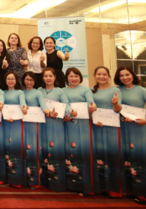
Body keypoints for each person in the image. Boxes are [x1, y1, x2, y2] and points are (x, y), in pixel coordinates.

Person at [115, 66, 146, 204]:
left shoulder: (141, 90)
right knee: (125, 158)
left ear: (133, 75)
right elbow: (115, 109)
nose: (125, 77)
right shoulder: (117, 91)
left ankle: (143, 194)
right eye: (122, 75)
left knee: (140, 159)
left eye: (127, 74)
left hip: (138, 128)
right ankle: (130, 189)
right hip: (122, 128)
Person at [62, 67, 99, 196]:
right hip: (69, 125)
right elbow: (64, 105)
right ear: (66, 78)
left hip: (83, 124)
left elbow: (91, 104)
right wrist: (67, 114)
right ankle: (71, 183)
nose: (73, 78)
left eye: (76, 76)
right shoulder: (62, 90)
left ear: (80, 77)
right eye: (71, 76)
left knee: (84, 152)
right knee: (70, 152)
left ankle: (87, 185)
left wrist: (92, 107)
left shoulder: (86, 90)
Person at [90, 66, 122, 199]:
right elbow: (90, 108)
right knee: (98, 154)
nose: (101, 76)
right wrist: (92, 116)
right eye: (98, 74)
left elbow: (118, 110)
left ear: (108, 76)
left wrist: (115, 103)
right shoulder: (91, 90)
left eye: (104, 74)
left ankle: (114, 188)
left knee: (112, 155)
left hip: (111, 127)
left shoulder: (115, 90)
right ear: (95, 75)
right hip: (96, 126)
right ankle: (100, 186)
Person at [38, 67, 71, 192]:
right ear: (42, 78)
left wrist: (70, 113)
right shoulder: (39, 90)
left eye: (50, 76)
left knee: (56, 149)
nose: (48, 78)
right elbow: (39, 105)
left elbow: (66, 104)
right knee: (44, 149)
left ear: (55, 77)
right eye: (45, 76)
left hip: (57, 124)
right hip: (42, 123)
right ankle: (44, 181)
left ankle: (57, 182)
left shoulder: (60, 91)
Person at [22, 72, 51, 190]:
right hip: (22, 124)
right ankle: (24, 178)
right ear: (23, 80)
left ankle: (35, 180)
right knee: (23, 150)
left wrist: (49, 112)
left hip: (34, 124)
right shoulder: (21, 92)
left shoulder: (38, 92)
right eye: (27, 79)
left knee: (33, 149)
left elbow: (43, 106)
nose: (29, 82)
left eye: (31, 80)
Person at [2, 71, 28, 187]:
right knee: (6, 148)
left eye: (13, 79)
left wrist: (24, 108)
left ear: (16, 80)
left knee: (16, 149)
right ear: (5, 80)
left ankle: (17, 179)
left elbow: (23, 103)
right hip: (5, 123)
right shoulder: (3, 93)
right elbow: (0, 106)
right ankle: (8, 177)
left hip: (17, 123)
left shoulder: (20, 92)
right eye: (8, 79)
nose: (11, 81)